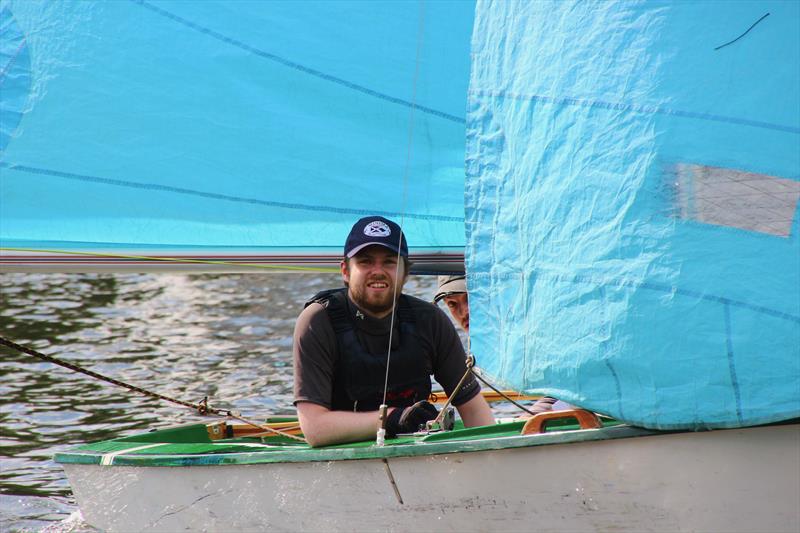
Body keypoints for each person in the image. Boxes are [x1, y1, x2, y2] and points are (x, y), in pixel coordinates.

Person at [293, 216, 495, 447]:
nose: (377, 271)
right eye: (365, 262)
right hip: (341, 461)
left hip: (418, 460)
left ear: (405, 272)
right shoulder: (318, 321)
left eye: (389, 262)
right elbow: (315, 429)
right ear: (345, 271)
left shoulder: (430, 321)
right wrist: (392, 418)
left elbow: (476, 414)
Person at [433, 274, 570, 415]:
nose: (464, 313)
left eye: (470, 298)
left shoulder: (533, 327)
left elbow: (573, 383)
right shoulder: (465, 349)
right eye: (452, 304)